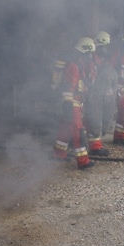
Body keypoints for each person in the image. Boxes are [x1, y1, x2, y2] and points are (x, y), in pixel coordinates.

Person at [52, 37, 96, 169]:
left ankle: (58, 154)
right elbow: (68, 87)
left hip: (73, 103)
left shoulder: (80, 65)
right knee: (78, 132)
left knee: (65, 128)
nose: (91, 57)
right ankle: (83, 161)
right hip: (72, 104)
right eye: (89, 54)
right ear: (84, 52)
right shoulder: (74, 66)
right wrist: (68, 104)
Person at [84, 30, 118, 156]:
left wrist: (110, 88)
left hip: (99, 94)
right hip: (92, 94)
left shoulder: (101, 59)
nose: (106, 49)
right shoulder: (91, 58)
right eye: (105, 46)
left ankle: (93, 145)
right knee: (94, 120)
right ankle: (94, 147)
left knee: (95, 120)